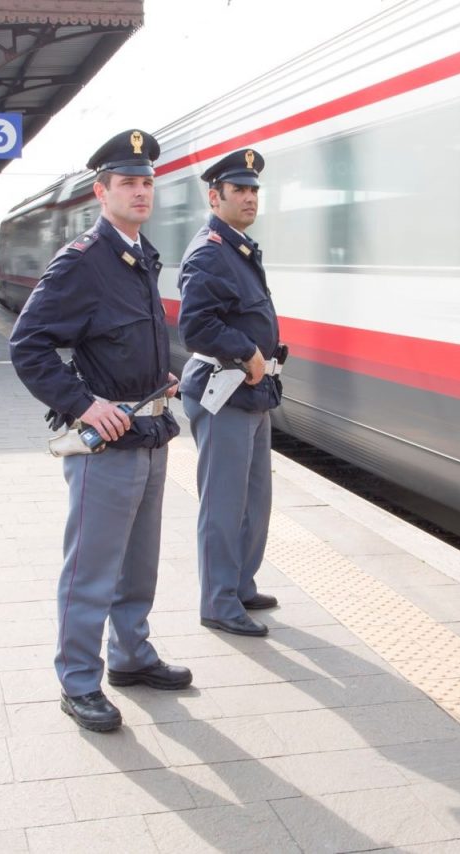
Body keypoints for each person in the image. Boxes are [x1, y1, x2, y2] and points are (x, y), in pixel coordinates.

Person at [9, 129, 189, 734]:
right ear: (101, 190)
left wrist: (151, 376)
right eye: (128, 183)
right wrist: (83, 404)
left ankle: (132, 656)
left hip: (149, 432)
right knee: (91, 568)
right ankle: (78, 680)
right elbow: (28, 345)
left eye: (147, 183)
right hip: (106, 444)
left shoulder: (140, 255)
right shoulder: (83, 261)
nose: (141, 192)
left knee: (139, 563)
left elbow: (115, 336)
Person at [177, 148, 284, 638]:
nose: (249, 198)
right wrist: (248, 351)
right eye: (238, 190)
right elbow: (196, 326)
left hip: (252, 392)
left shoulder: (237, 245)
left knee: (254, 499)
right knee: (223, 503)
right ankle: (218, 601)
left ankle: (240, 584)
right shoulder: (209, 250)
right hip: (226, 389)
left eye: (253, 190)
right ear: (214, 196)